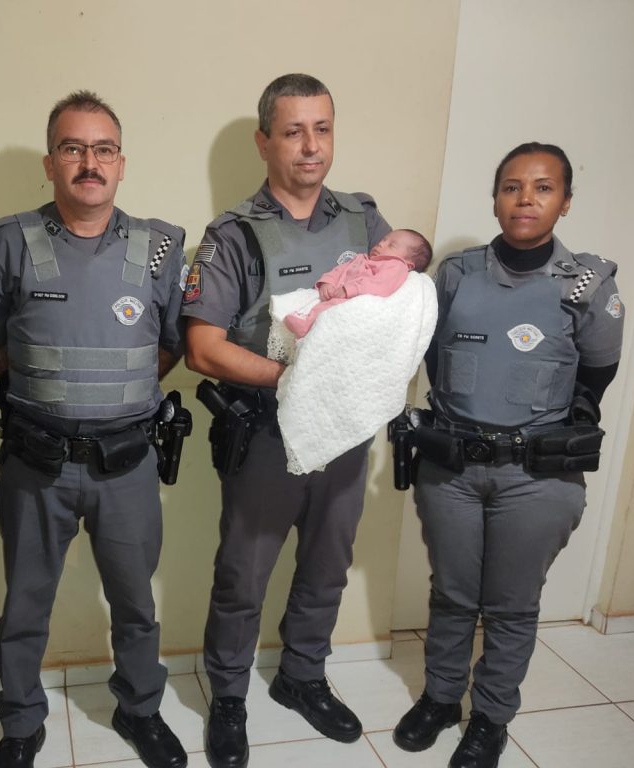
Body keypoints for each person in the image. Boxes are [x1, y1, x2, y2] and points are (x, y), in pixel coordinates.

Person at [0, 91, 189, 768]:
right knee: (25, 603)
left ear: (121, 162)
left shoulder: (161, 247)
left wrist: (116, 401)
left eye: (103, 149)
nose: (89, 162)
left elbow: (171, 346)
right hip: (37, 464)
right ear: (50, 162)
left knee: (135, 601)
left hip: (127, 465)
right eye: (73, 148)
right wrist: (51, 396)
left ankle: (140, 709)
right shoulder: (7, 242)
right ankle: (21, 722)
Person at [182, 73, 392, 768]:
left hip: (345, 435)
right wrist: (298, 378)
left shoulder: (365, 223)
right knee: (242, 576)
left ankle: (302, 676)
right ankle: (230, 696)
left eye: (322, 129)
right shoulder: (234, 235)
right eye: (294, 131)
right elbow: (203, 348)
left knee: (327, 566)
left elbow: (397, 309)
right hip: (267, 437)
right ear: (264, 140)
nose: (311, 146)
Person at [392, 142, 623, 768]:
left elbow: (596, 376)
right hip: (452, 468)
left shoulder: (588, 284)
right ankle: (441, 698)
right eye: (512, 187)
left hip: (536, 477)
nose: (526, 199)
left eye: (543, 188)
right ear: (495, 198)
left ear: (566, 201)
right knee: (451, 595)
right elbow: (428, 355)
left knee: (512, 606)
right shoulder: (456, 274)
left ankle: (491, 718)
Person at [283, 228, 431, 338]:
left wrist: (350, 289)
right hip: (337, 294)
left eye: (391, 245)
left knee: (329, 309)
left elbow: (380, 285)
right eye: (383, 240)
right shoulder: (361, 258)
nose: (381, 244)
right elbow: (338, 270)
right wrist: (327, 282)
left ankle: (306, 326)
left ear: (408, 264)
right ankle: (303, 319)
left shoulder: (396, 266)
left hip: (354, 302)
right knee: (311, 300)